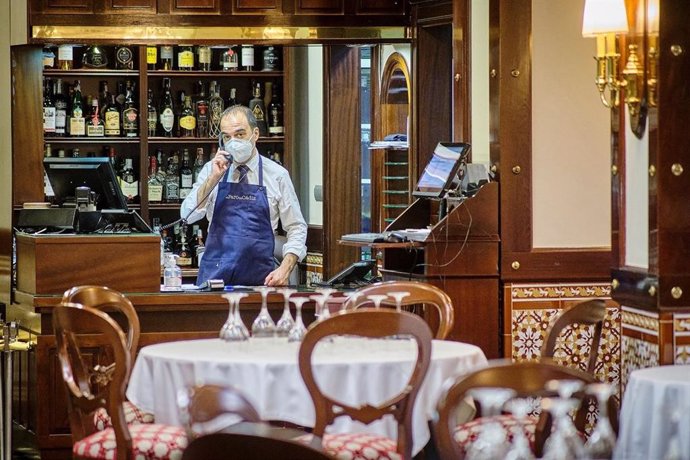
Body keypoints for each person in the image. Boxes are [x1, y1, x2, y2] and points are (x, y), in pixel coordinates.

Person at [181, 105, 307, 287]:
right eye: (227, 137)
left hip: (261, 279)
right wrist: (213, 178)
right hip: (215, 277)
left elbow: (296, 227)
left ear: (255, 134)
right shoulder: (211, 170)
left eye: (239, 134)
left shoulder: (277, 175)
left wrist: (285, 269)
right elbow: (187, 215)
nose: (233, 142)